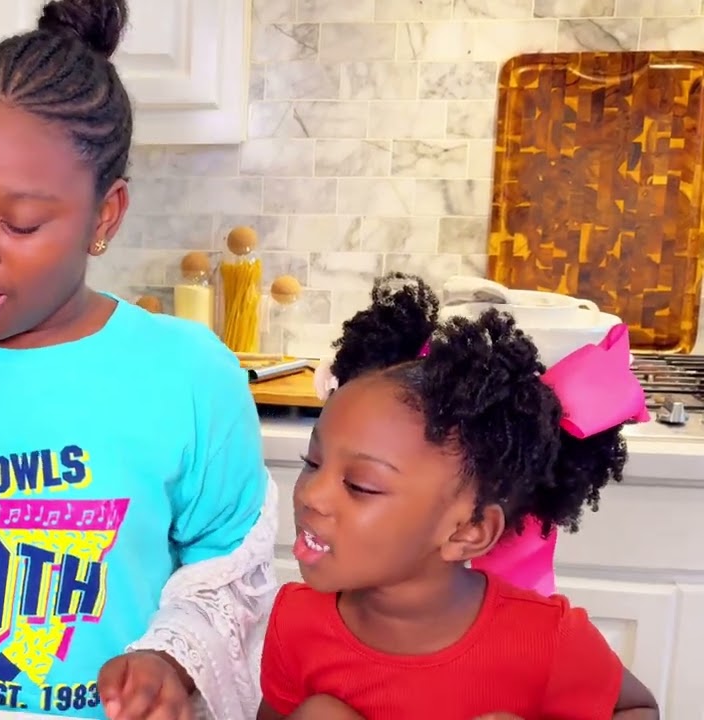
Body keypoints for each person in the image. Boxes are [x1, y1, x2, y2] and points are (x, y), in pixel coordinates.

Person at [0, 0, 278, 718]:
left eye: (21, 223)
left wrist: (174, 659)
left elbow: (231, 573)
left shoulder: (189, 375)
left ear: (104, 216)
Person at [257, 273, 659, 719]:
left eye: (360, 485)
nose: (311, 493)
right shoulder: (296, 621)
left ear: (469, 530)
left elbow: (640, 710)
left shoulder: (547, 639)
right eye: (311, 463)